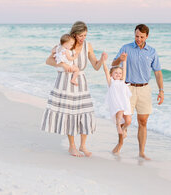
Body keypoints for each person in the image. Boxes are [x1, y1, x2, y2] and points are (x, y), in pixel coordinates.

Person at [41, 21, 106, 157]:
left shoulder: (87, 46)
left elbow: (95, 66)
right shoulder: (64, 45)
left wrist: (101, 60)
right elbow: (48, 61)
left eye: (85, 35)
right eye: (81, 35)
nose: (83, 38)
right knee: (70, 113)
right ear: (74, 35)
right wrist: (63, 65)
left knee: (85, 112)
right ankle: (72, 146)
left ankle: (83, 145)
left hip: (80, 81)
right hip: (65, 81)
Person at [112, 24, 164, 160]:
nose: (138, 39)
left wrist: (161, 91)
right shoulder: (126, 48)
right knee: (126, 120)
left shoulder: (152, 51)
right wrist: (120, 59)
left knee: (143, 122)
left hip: (145, 89)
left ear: (147, 36)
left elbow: (158, 72)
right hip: (128, 88)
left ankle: (141, 152)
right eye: (136, 36)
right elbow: (113, 63)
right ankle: (119, 144)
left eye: (141, 37)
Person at [102, 54, 132, 138]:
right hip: (116, 102)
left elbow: (125, 70)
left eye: (120, 73)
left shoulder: (122, 81)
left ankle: (124, 128)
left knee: (128, 121)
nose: (118, 74)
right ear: (111, 74)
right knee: (120, 111)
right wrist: (103, 61)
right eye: (116, 73)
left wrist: (124, 61)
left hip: (124, 102)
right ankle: (118, 125)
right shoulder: (111, 82)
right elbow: (105, 70)